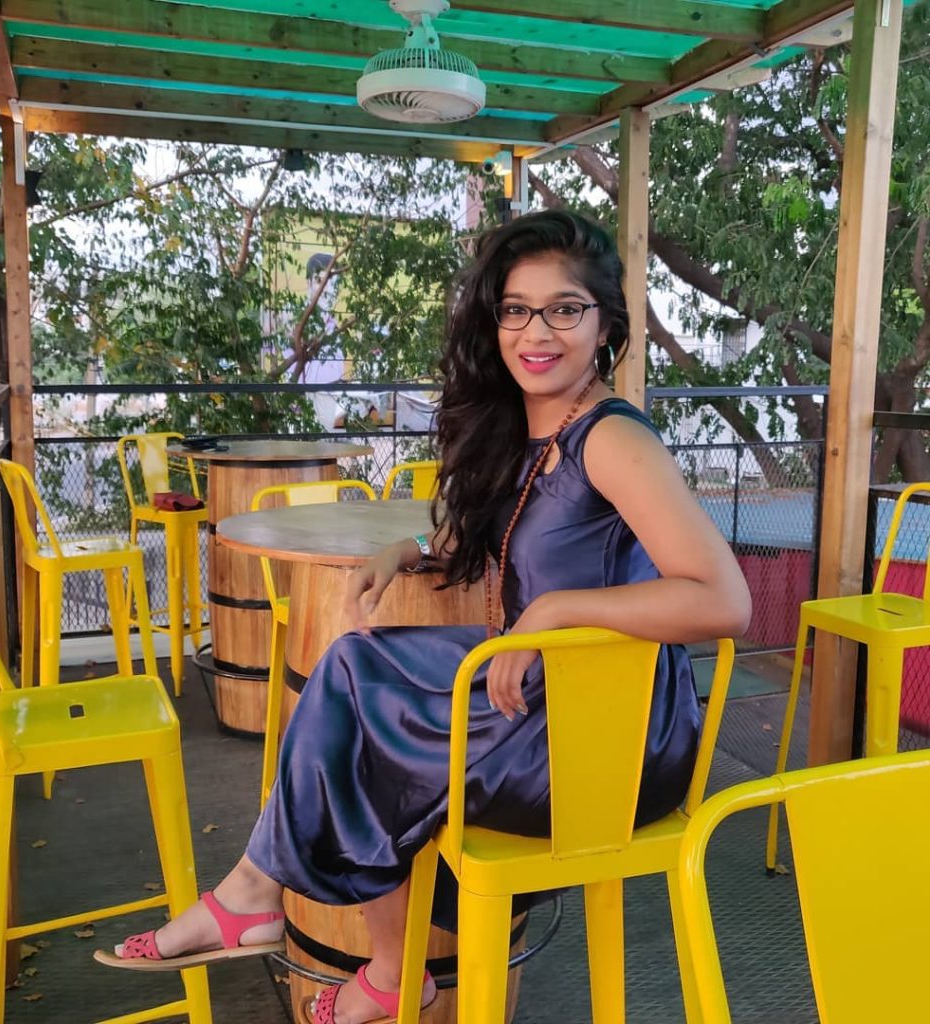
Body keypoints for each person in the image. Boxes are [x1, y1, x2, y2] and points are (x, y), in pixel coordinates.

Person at [95, 210, 752, 1024]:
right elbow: (513, 532)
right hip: (552, 700)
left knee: (360, 693)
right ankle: (320, 932)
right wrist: (413, 549)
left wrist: (547, 615)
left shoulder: (613, 440)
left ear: (607, 325)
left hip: (612, 737)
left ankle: (294, 919)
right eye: (515, 308)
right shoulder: (532, 429)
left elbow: (725, 601)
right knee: (356, 676)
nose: (535, 330)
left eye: (564, 309)